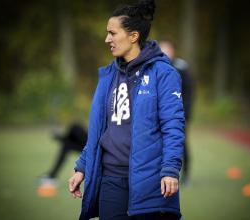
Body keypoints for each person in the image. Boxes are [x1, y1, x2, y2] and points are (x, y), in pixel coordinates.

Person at [68, 0, 185, 219]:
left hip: (150, 179)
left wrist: (170, 169)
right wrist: (82, 166)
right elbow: (101, 128)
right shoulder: (108, 75)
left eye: (112, 33)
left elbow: (173, 126)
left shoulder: (163, 73)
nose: (107, 39)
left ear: (133, 36)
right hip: (110, 179)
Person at [159, 40, 195, 184]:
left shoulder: (181, 67)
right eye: (162, 49)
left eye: (167, 49)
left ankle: (185, 174)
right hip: (161, 115)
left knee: (181, 143)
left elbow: (189, 92)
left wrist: (186, 113)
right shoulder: (157, 67)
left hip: (179, 114)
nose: (164, 53)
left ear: (173, 51)